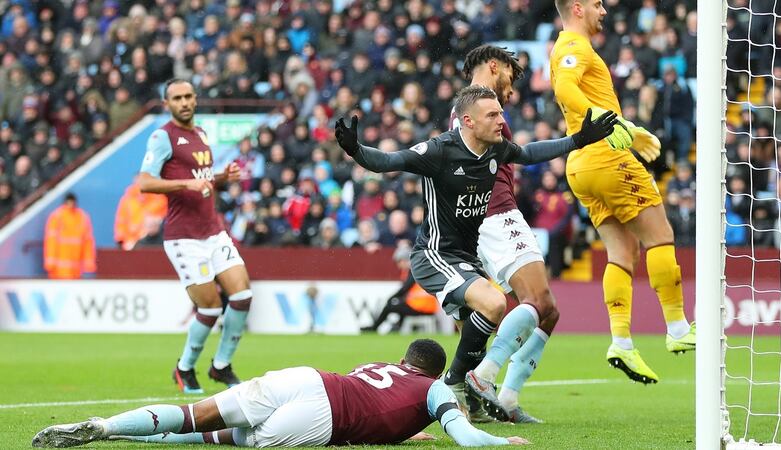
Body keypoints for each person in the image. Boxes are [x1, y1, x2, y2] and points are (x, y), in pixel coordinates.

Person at [335, 85, 616, 419]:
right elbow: (390, 161)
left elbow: (528, 153)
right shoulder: (440, 150)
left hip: (467, 259)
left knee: (482, 333)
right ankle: (454, 382)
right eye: (493, 115)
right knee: (496, 302)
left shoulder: (495, 150)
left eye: (500, 112)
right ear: (467, 121)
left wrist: (576, 140)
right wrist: (356, 150)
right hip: (434, 255)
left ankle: (471, 399)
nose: (501, 120)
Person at [550, 0, 695, 384]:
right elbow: (564, 87)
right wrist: (602, 119)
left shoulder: (576, 48)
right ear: (577, 8)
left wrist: (629, 128)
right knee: (660, 236)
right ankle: (679, 328)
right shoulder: (573, 47)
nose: (604, 10)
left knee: (623, 252)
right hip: (606, 160)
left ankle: (622, 342)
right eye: (597, 4)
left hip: (581, 166)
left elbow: (586, 100)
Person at [31, 339, 529, 448]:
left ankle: (107, 428)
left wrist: (407, 433)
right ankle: (119, 437)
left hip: (309, 378)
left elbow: (378, 401)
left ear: (405, 359)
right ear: (435, 371)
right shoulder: (435, 390)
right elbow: (464, 436)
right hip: (324, 418)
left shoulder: (378, 366)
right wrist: (503, 443)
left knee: (194, 414)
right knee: (222, 440)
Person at [452, 45, 562, 424]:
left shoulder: (469, 111)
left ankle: (507, 398)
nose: (512, 92)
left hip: (481, 219)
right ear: (493, 67)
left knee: (548, 312)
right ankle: (482, 378)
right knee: (538, 299)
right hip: (497, 213)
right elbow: (523, 154)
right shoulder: (474, 112)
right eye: (510, 79)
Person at [138, 78, 251, 393]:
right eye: (177, 98)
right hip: (184, 238)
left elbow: (199, 179)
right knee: (211, 307)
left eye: (188, 96)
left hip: (214, 232)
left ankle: (221, 366)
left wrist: (221, 177)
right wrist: (186, 184)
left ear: (196, 99)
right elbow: (145, 182)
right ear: (167, 104)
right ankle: (184, 367)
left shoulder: (200, 134)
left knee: (242, 296)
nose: (184, 102)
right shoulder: (163, 137)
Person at [363, 245, 440, 333]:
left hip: (420, 307)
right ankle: (396, 328)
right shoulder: (420, 268)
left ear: (404, 260)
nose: (398, 266)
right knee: (401, 305)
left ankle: (374, 328)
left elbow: (404, 289)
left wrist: (391, 298)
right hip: (427, 307)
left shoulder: (413, 271)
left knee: (389, 307)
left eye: (398, 262)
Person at [43, 192, 96, 279]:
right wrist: (50, 262)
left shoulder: (82, 217)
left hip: (76, 267)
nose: (70, 205)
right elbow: (51, 241)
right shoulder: (57, 217)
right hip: (59, 267)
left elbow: (88, 242)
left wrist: (88, 263)